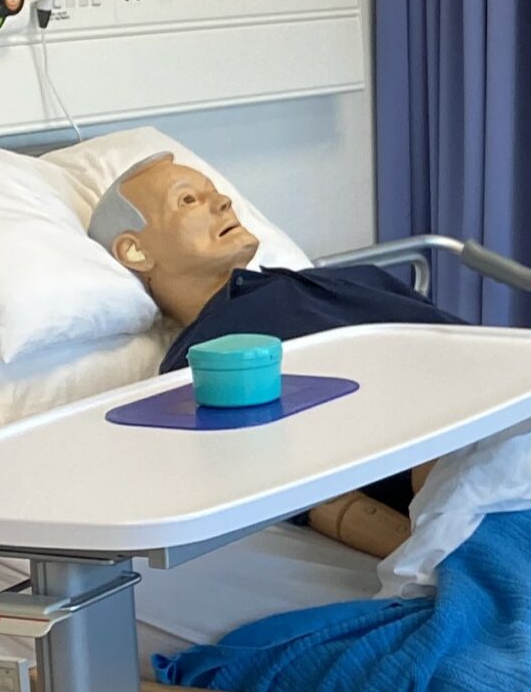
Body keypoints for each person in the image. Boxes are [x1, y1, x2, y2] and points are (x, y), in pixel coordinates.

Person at [89, 152, 457, 557]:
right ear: (135, 252)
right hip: (471, 474)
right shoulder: (204, 363)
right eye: (188, 201)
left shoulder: (351, 280)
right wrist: (432, 554)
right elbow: (311, 497)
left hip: (522, 403)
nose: (224, 202)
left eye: (215, 193)